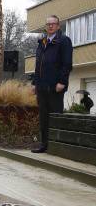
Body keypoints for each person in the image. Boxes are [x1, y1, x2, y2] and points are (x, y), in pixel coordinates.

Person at [31, 15, 73, 153]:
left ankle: (56, 146)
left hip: (55, 86)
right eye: (48, 24)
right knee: (43, 117)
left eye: (53, 24)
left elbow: (67, 64)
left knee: (55, 116)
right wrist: (34, 83)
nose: (50, 26)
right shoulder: (42, 42)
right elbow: (38, 65)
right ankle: (44, 145)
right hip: (42, 87)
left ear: (58, 26)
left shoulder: (64, 41)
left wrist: (62, 81)